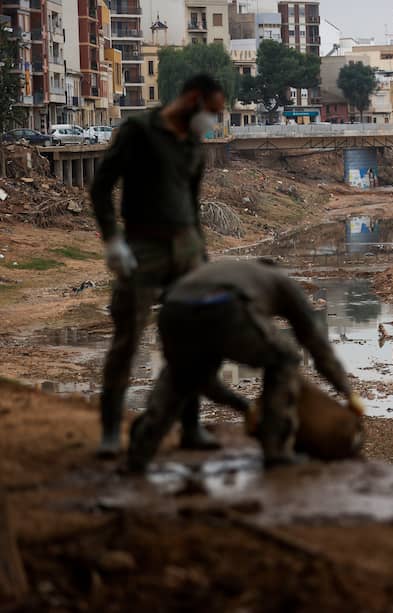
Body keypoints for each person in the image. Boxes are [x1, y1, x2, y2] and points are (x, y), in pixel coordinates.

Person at [90, 74, 226, 458]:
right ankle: (110, 432)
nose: (213, 121)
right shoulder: (138, 130)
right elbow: (101, 187)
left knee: (191, 341)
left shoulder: (194, 144)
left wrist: (201, 255)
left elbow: (193, 204)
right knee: (127, 338)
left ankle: (191, 428)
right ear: (193, 99)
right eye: (212, 111)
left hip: (187, 250)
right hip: (143, 247)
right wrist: (112, 240)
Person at [126, 259, 364, 473]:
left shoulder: (236, 271)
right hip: (225, 307)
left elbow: (205, 382)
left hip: (172, 309)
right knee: (286, 357)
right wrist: (347, 391)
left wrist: (244, 406)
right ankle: (276, 451)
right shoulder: (282, 282)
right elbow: (315, 341)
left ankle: (139, 454)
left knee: (181, 375)